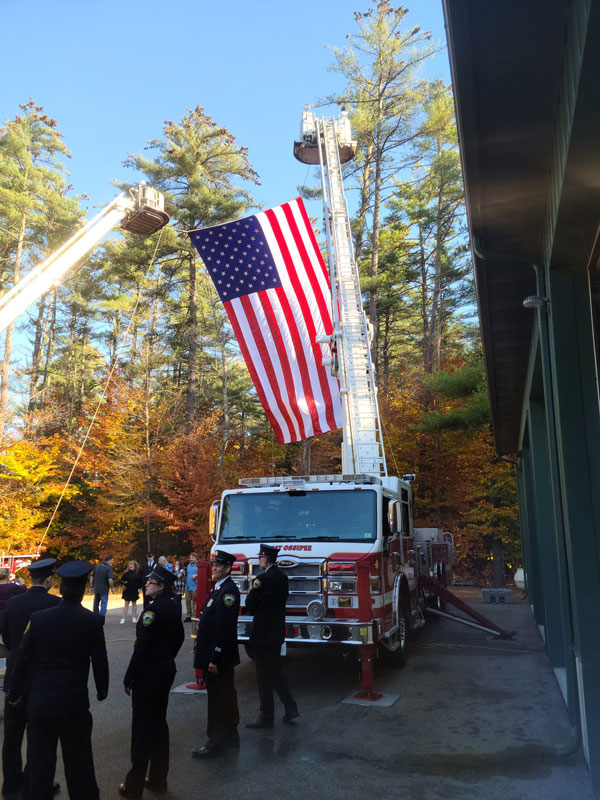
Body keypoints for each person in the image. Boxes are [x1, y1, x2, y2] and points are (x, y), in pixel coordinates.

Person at [7, 560, 109, 800]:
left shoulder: (39, 619)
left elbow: (23, 657)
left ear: (60, 587)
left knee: (40, 762)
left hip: (41, 702)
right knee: (80, 763)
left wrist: (14, 691)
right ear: (84, 588)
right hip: (73, 703)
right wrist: (101, 689)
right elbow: (100, 659)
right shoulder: (93, 621)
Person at [119, 564, 184, 798]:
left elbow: (142, 649)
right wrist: (166, 658)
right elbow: (179, 637)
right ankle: (158, 778)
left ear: (162, 586)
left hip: (149, 675)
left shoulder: (152, 611)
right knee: (158, 725)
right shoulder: (173, 605)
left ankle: (133, 786)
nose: (146, 584)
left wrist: (129, 676)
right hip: (165, 670)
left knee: (142, 729)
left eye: (152, 582)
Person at [2, 558, 60, 799]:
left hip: (16, 675)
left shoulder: (13, 605)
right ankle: (35, 783)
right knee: (41, 737)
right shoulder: (56, 604)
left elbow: (7, 638)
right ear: (49, 580)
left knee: (12, 737)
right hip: (42, 679)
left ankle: (11, 783)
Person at [192, 550, 240, 758]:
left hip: (218, 658)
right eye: (214, 565)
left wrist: (215, 658)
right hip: (216, 655)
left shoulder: (228, 591)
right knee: (225, 695)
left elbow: (224, 628)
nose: (215, 569)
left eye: (219, 566)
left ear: (228, 568)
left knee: (218, 699)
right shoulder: (219, 589)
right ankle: (230, 736)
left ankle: (215, 743)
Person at [245, 543, 298, 729]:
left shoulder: (262, 579)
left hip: (262, 633)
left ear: (265, 559)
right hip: (276, 631)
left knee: (263, 676)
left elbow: (250, 603)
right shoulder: (283, 578)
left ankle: (266, 716)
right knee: (274, 671)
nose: (259, 560)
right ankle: (290, 706)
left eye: (260, 557)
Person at [184, 553, 198, 623]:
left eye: (192, 557)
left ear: (196, 558)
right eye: (190, 557)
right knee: (187, 602)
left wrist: (196, 575)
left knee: (194, 603)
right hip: (188, 586)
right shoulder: (188, 566)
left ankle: (193, 616)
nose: (191, 559)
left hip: (195, 587)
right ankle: (188, 616)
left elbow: (201, 574)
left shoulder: (198, 566)